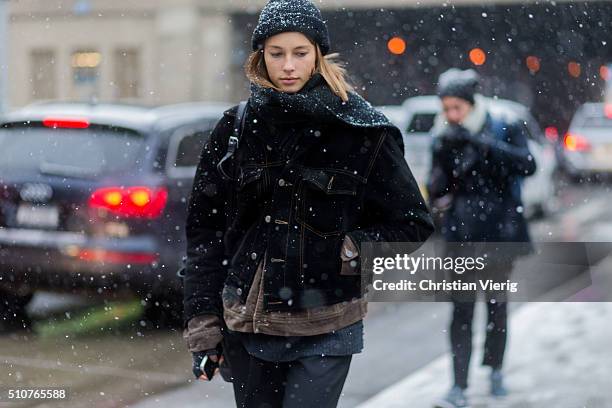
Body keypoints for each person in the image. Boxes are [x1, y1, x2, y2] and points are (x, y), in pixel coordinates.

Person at [182, 1, 434, 407]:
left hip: (327, 322)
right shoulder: (236, 127)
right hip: (248, 325)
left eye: (300, 53)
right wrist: (203, 325)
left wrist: (350, 251)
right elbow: (205, 233)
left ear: (318, 53)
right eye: (276, 53)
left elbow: (412, 223)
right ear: (260, 56)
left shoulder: (362, 129)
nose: (288, 66)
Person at [427, 68, 536, 408]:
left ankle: (495, 370)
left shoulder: (504, 124)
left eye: (456, 107)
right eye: (446, 108)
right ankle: (458, 384)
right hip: (461, 234)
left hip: (501, 231)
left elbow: (527, 164)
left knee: (496, 307)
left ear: (472, 104)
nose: (451, 115)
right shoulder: (443, 135)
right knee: (460, 310)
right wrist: (444, 153)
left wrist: (482, 144)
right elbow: (437, 188)